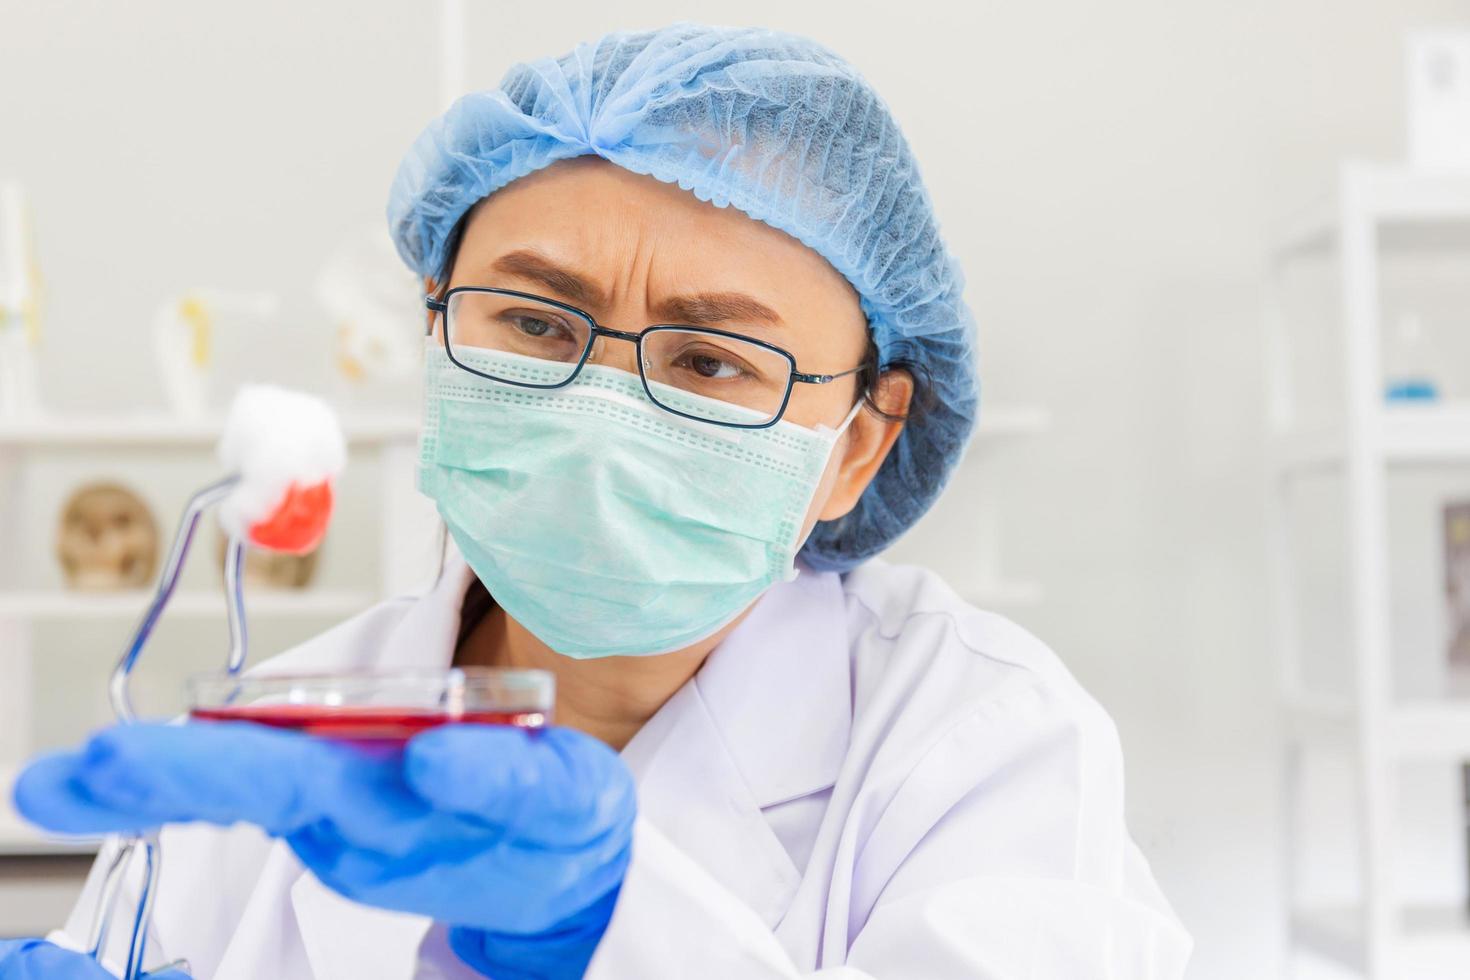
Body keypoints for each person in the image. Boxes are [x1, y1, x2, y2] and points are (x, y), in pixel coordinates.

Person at [5, 21, 1192, 980]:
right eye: (533, 322)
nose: (599, 413)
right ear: (433, 324)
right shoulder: (276, 738)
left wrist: (608, 926)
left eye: (713, 360)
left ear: (857, 444)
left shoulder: (980, 748)